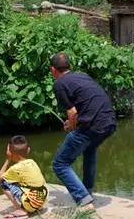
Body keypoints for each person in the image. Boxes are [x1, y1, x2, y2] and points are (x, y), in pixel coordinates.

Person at [50, 52, 117, 209]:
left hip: (92, 125)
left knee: (60, 164)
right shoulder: (82, 76)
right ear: (69, 67)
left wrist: (71, 126)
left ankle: (84, 200)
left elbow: (72, 112)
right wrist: (72, 122)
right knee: (89, 150)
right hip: (109, 122)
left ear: (53, 70)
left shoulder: (59, 83)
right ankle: (87, 191)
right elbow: (85, 106)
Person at [0, 135, 48, 218]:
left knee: (3, 182)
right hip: (42, 200)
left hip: (31, 204)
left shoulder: (15, 168)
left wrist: (7, 160)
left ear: (10, 152)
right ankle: (33, 205)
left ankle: (21, 209)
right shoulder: (32, 162)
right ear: (28, 150)